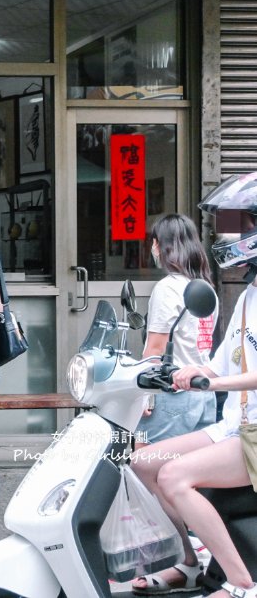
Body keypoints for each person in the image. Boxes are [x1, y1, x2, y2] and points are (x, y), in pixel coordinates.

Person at [131, 175, 257, 598]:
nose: (230, 235)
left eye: (240, 225)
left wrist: (209, 380)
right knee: (145, 462)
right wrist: (188, 373)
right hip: (233, 425)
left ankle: (242, 583)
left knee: (176, 476)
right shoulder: (247, 295)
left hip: (254, 434)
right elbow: (221, 361)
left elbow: (224, 375)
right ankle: (188, 561)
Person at [135, 214, 217, 450]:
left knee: (144, 463)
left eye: (155, 241)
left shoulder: (167, 288)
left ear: (163, 246)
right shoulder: (205, 287)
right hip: (202, 392)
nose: (153, 247)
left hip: (172, 393)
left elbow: (155, 350)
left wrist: (143, 394)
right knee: (192, 472)